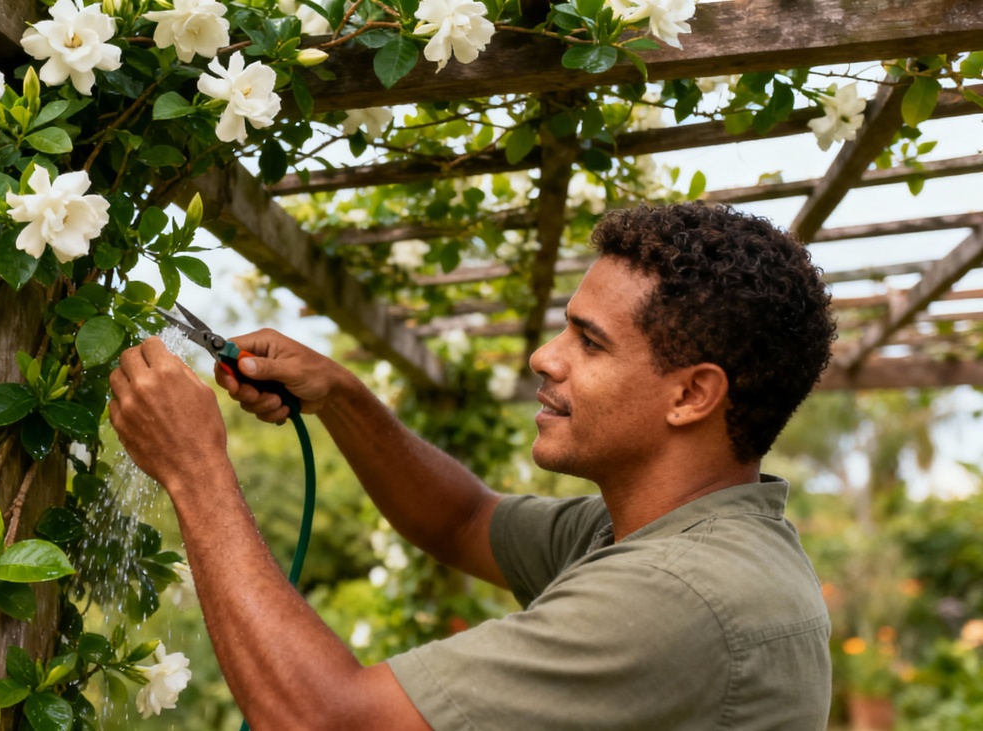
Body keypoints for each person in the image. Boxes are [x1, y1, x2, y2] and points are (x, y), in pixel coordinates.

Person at [108, 202, 837, 729]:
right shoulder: (660, 533)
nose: (544, 357)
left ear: (692, 394)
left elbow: (328, 722)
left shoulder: (682, 593)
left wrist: (194, 468)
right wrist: (342, 395)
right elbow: (462, 519)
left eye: (589, 342)